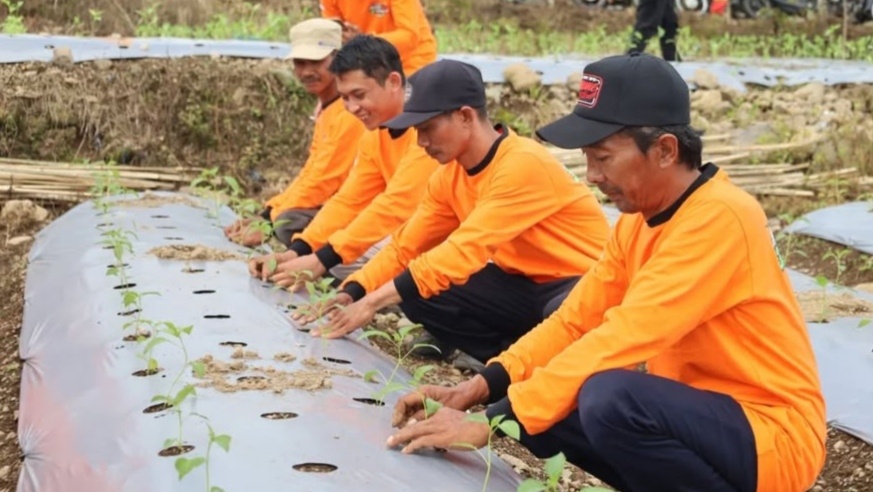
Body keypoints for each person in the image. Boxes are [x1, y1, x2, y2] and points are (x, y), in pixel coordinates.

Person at [386, 53, 827, 492]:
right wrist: (480, 390)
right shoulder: (638, 221)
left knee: (608, 397)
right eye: (587, 158)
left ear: (665, 150)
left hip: (769, 434)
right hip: (703, 420)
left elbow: (625, 335)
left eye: (604, 157)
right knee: (546, 409)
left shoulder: (722, 218)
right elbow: (576, 320)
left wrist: (490, 422)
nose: (592, 175)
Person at [303, 59, 609, 373]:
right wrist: (353, 291)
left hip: (577, 283)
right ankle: (508, 357)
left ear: (464, 116)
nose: (421, 142)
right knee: (416, 291)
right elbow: (405, 247)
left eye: (427, 129)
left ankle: (530, 363)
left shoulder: (522, 164)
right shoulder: (449, 176)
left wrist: (372, 303)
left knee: (566, 308)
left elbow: (463, 250)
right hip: (522, 285)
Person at [248, 35, 439, 284]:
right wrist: (298, 251)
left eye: (359, 95)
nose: (351, 108)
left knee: (347, 261)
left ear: (393, 82)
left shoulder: (428, 126)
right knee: (339, 258)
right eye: (345, 98)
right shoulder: (376, 131)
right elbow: (350, 200)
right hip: (408, 226)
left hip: (451, 234)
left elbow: (397, 205)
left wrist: (322, 258)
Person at [223, 18, 365, 247]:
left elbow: (325, 180)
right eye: (300, 63)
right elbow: (312, 173)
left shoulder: (350, 112)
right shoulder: (329, 109)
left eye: (316, 61)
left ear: (339, 59)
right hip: (338, 203)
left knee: (289, 222)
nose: (307, 71)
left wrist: (269, 223)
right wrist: (267, 213)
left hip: (359, 209)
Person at [319, 0, 437, 75]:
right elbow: (331, 38)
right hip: (365, 65)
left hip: (411, 63)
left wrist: (366, 41)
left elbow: (409, 36)